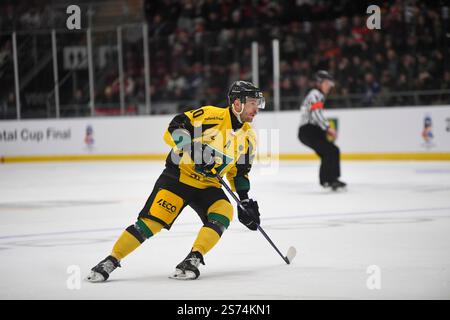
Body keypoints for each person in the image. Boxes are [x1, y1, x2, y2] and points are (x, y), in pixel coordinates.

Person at [87, 81, 265, 281]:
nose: (256, 109)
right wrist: (193, 150)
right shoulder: (211, 116)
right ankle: (110, 260)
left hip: (208, 186)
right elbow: (175, 127)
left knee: (224, 211)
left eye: (258, 104)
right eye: (252, 103)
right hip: (179, 177)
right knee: (150, 224)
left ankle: (193, 258)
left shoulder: (249, 138)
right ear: (237, 103)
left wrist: (244, 200)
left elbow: (239, 173)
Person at [298, 70, 346, 191]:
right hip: (309, 130)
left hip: (311, 130)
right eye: (327, 83)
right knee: (332, 150)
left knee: (329, 152)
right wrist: (328, 128)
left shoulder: (316, 95)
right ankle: (330, 180)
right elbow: (315, 112)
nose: (329, 87)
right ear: (320, 83)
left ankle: (328, 180)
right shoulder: (315, 94)